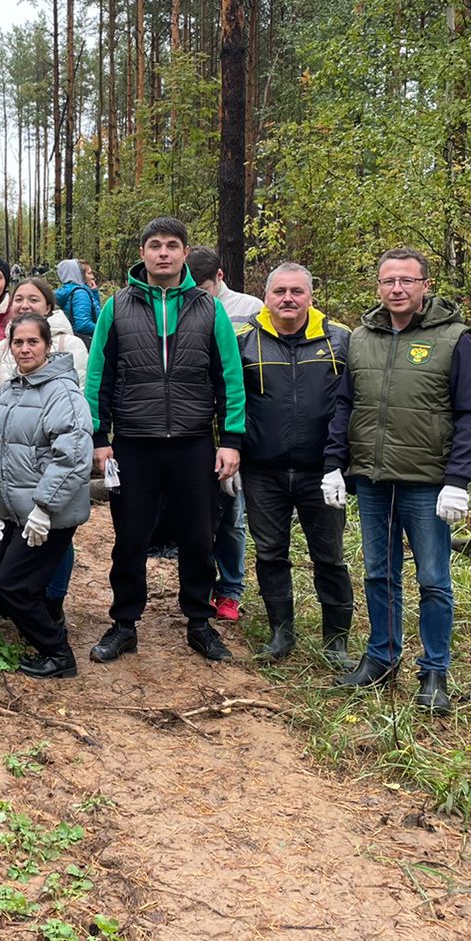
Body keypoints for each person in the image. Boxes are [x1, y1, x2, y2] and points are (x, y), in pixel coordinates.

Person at [323, 247, 471, 714]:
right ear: (378, 286)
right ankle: (381, 657)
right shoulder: (360, 338)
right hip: (374, 481)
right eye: (388, 281)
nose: (397, 289)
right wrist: (334, 465)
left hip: (426, 483)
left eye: (407, 281)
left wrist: (458, 479)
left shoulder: (454, 338)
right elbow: (344, 407)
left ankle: (434, 672)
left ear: (424, 286)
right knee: (380, 573)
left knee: (434, 579)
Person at [83, 217, 245, 665]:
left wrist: (229, 439)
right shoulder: (116, 306)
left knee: (199, 536)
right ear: (143, 254)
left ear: (184, 253)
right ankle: (123, 624)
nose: (163, 253)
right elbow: (99, 375)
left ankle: (199, 621)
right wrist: (99, 435)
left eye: (172, 246)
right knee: (130, 537)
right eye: (155, 246)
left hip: (193, 443)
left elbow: (229, 376)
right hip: (134, 443)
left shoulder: (208, 308)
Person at [235, 263, 355, 669]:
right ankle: (280, 632)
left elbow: (354, 404)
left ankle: (336, 641)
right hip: (262, 469)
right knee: (270, 553)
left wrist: (344, 461)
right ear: (266, 297)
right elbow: (229, 401)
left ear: (310, 296)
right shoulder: (244, 342)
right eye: (280, 291)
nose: (288, 298)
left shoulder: (339, 340)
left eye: (297, 291)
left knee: (330, 556)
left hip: (322, 471)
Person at [0, 314, 93, 679]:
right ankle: (43, 637)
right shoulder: (8, 392)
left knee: (12, 585)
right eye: (18, 342)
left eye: (33, 342)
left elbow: (72, 456)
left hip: (47, 517)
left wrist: (45, 508)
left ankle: (58, 654)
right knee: (0, 581)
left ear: (46, 345)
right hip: (14, 510)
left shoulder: (62, 392)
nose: (25, 349)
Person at [184, 244, 263, 623]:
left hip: (235, 429)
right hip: (195, 430)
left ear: (219, 278)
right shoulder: (178, 304)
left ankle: (230, 589)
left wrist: (236, 438)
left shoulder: (251, 310)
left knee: (232, 515)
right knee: (197, 515)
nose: (198, 296)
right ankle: (197, 586)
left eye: (203, 287)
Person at [0, 278, 87, 403]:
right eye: (18, 300)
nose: (24, 306)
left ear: (48, 308)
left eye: (33, 300)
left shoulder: (70, 344)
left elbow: (79, 395)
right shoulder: (3, 347)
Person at [55, 259, 100, 350]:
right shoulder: (81, 293)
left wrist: (94, 292)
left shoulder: (69, 291)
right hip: (86, 343)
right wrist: (104, 328)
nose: (92, 277)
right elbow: (83, 325)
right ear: (79, 275)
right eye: (89, 273)